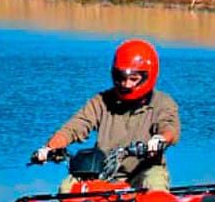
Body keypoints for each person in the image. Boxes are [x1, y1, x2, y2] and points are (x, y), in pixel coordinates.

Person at [34, 38, 179, 190]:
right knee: (68, 186)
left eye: (133, 79)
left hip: (141, 174)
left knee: (155, 180)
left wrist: (160, 139)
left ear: (148, 76)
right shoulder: (101, 101)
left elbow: (169, 127)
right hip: (103, 175)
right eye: (121, 78)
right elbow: (75, 126)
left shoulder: (162, 102)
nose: (126, 84)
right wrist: (49, 148)